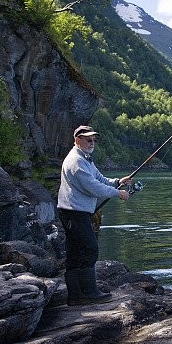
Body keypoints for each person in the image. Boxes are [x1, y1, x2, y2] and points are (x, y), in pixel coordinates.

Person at [57, 125, 131, 305]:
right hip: (73, 213)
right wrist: (117, 193)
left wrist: (117, 182)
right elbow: (93, 187)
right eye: (88, 140)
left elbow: (99, 179)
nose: (92, 143)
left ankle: (75, 297)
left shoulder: (85, 159)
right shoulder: (76, 161)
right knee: (89, 249)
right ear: (77, 140)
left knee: (75, 253)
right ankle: (88, 293)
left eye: (93, 140)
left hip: (77, 212)